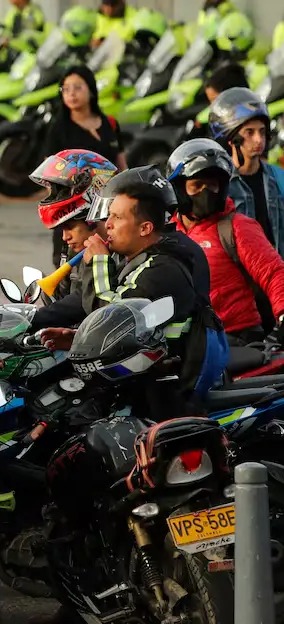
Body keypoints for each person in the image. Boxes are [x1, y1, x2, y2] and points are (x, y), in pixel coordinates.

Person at [39, 166, 215, 418]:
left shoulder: (163, 269)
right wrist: (76, 338)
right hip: (140, 384)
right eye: (108, 216)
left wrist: (98, 263)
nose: (107, 225)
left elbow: (110, 316)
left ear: (145, 228)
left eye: (117, 218)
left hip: (163, 399)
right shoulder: (145, 259)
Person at [168, 138, 284, 344]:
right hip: (186, 343)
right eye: (196, 185)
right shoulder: (168, 233)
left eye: (212, 186)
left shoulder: (237, 226)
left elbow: (274, 272)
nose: (205, 192)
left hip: (237, 339)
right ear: (179, 189)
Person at [41, 65, 124, 265]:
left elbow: (121, 165)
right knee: (70, 265)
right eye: (65, 89)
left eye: (77, 87)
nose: (71, 94)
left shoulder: (110, 124)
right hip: (74, 211)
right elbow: (48, 174)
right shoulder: (58, 128)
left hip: (107, 207)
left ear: (91, 90)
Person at [27, 149, 118, 326]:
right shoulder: (73, 249)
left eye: (70, 227)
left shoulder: (118, 253)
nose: (65, 237)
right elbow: (64, 297)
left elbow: (82, 302)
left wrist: (30, 321)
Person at [210, 88, 284, 253]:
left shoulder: (278, 176)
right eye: (249, 132)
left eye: (262, 132)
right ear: (231, 138)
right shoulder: (220, 184)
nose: (258, 139)